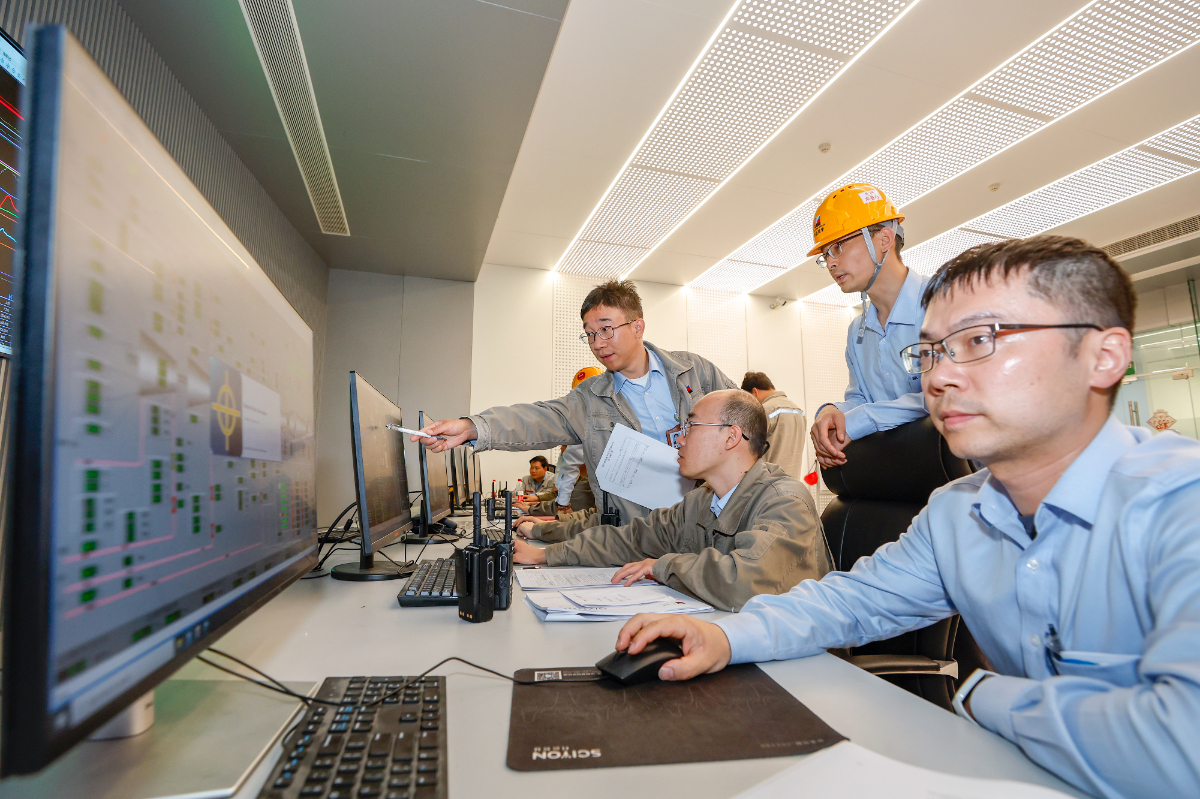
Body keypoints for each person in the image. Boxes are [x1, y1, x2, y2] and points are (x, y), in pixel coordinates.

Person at [612, 236, 1200, 799]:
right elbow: (849, 601)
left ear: (1102, 356)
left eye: (980, 340)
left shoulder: (1181, 503)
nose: (937, 378)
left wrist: (981, 699)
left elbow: (1180, 752)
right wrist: (724, 635)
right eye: (931, 352)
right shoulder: (957, 512)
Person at [415, 279, 737, 528]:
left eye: (606, 329)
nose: (597, 343)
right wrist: (473, 427)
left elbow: (748, 420)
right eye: (590, 334)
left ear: (637, 326)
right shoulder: (589, 399)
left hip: (710, 523)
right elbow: (538, 418)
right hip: (637, 535)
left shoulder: (694, 371)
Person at [512, 390, 830, 612]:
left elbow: (744, 582)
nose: (679, 438)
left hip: (798, 669)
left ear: (732, 436)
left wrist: (662, 566)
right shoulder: (701, 501)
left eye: (691, 426)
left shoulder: (784, 501)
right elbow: (630, 539)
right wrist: (546, 556)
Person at [807, 183, 929, 468]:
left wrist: (861, 419)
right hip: (903, 472)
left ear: (884, 239)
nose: (830, 263)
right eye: (825, 255)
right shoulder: (856, 331)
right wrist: (833, 412)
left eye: (838, 247)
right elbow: (861, 398)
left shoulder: (942, 301)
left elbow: (950, 396)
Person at [741, 372, 806, 479]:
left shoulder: (763, 410)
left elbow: (747, 450)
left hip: (769, 482)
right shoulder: (799, 411)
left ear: (755, 391)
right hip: (793, 482)